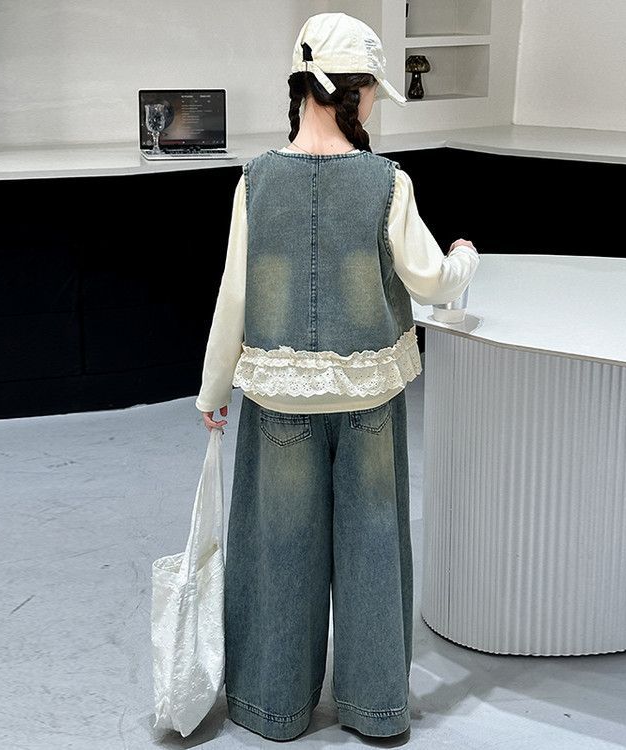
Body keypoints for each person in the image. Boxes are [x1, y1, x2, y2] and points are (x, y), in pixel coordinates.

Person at [195, 12, 480, 742]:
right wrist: (465, 257)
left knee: (277, 545)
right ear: (350, 92)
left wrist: (213, 391)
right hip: (368, 398)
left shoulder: (255, 182)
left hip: (279, 397)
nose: (375, 102)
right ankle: (374, 708)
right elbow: (430, 280)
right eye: (373, 89)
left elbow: (234, 296)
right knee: (373, 545)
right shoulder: (389, 182)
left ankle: (273, 706)